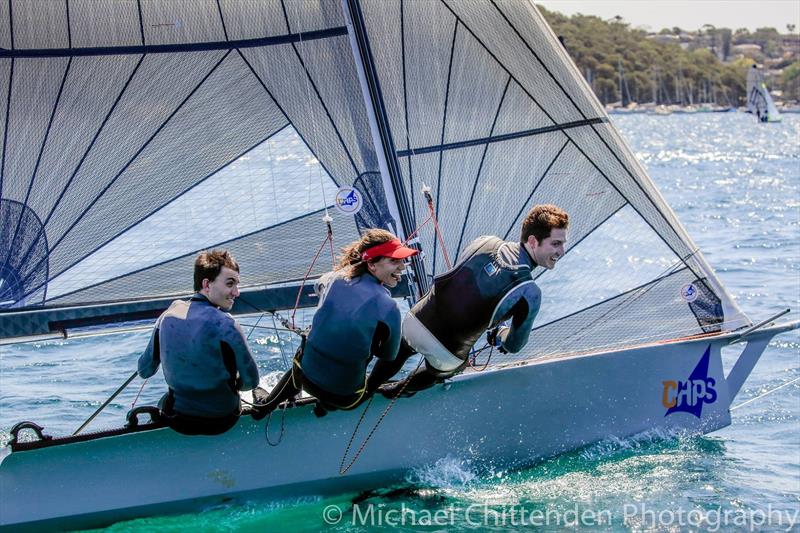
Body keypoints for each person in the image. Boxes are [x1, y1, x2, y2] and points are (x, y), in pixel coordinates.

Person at [369, 204, 569, 396]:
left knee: (405, 346)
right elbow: (514, 346)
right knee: (451, 367)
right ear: (533, 241)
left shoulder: (484, 241)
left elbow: (467, 290)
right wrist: (501, 334)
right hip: (446, 353)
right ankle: (395, 392)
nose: (562, 251)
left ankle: (368, 388)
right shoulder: (529, 292)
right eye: (556, 243)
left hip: (415, 321)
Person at [252, 229, 419, 418]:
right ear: (372, 264)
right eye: (394, 261)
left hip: (305, 378)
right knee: (403, 349)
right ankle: (329, 405)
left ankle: (264, 407)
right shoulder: (389, 307)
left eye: (402, 261)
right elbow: (387, 356)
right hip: (344, 397)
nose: (402, 267)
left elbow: (318, 286)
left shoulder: (334, 277)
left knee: (308, 348)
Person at [138, 249, 260, 435]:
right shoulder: (227, 324)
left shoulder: (166, 317)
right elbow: (251, 382)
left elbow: (144, 371)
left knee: (166, 400)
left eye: (237, 284)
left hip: (178, 420)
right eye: (230, 284)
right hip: (223, 421)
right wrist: (232, 384)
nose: (237, 292)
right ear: (206, 284)